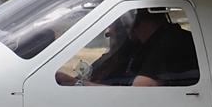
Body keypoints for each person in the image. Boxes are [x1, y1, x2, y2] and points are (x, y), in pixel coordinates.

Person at [62, 9, 199, 86]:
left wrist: (75, 83)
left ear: (130, 18)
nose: (114, 31)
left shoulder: (170, 42)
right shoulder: (145, 45)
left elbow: (140, 90)